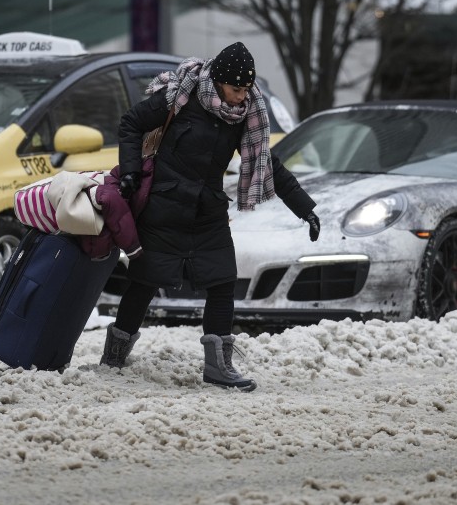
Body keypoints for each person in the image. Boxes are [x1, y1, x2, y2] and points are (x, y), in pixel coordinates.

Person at [101, 42, 321, 391]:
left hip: (208, 214)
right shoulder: (182, 96)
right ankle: (113, 355)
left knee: (222, 283)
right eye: (236, 89)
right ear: (219, 81)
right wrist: (130, 172)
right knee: (144, 282)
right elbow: (131, 123)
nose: (242, 97)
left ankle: (219, 367)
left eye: (247, 89)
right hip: (164, 209)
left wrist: (304, 207)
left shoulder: (244, 115)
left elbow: (268, 164)